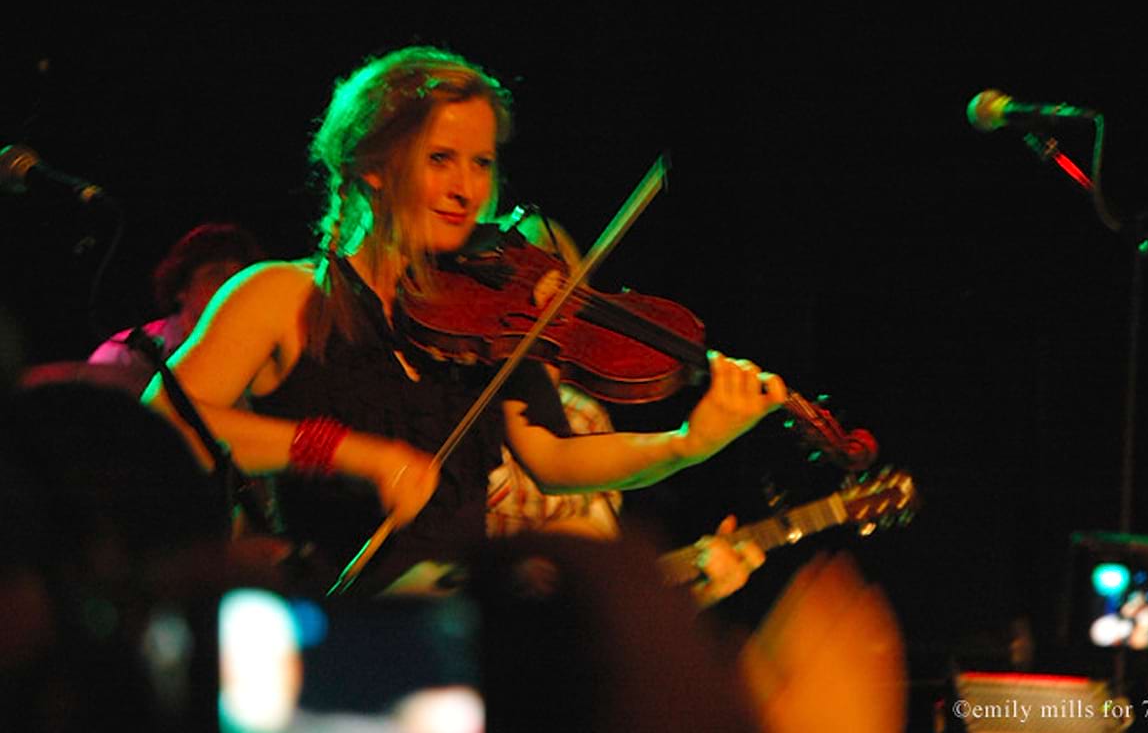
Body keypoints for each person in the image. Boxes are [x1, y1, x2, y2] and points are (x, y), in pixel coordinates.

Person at [142, 45, 787, 597]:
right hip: (330, 619)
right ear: (370, 166)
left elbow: (553, 457)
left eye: (481, 163)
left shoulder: (487, 314)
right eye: (440, 158)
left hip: (451, 629)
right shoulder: (281, 294)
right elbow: (165, 425)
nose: (467, 189)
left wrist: (685, 442)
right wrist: (354, 452)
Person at [487, 211, 766, 607]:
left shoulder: (583, 417)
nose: (539, 299)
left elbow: (600, 587)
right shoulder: (456, 400)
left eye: (562, 287)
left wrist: (697, 594)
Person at [88, 222, 265, 396]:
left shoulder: (261, 358)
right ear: (181, 288)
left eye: (240, 276)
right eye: (215, 274)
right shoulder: (125, 355)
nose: (232, 285)